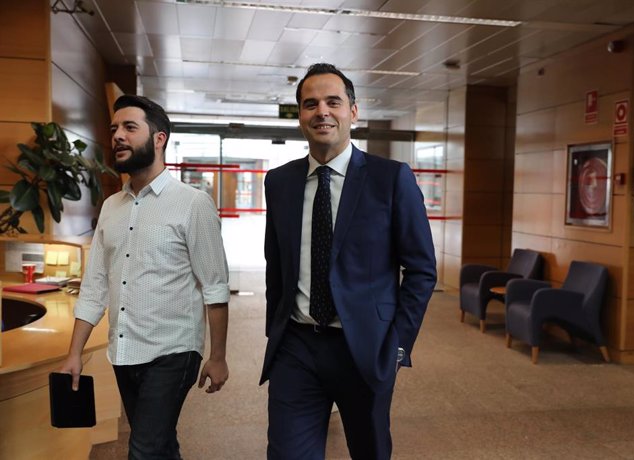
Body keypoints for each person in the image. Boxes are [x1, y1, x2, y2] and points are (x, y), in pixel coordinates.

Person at [260, 63, 437, 459]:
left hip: (365, 350)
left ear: (353, 112)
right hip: (297, 347)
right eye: (310, 104)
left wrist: (396, 348)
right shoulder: (280, 182)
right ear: (300, 116)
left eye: (333, 102)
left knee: (370, 451)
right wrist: (277, 329)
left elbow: (422, 270)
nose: (321, 111)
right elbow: (277, 263)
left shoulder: (390, 179)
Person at [60, 95, 230, 459]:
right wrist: (74, 353)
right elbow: (94, 287)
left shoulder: (192, 203)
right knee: (160, 446)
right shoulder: (111, 207)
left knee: (144, 451)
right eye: (114, 129)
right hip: (124, 351)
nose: (118, 136)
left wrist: (218, 356)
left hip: (173, 350)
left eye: (129, 127)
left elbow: (215, 286)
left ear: (159, 138)